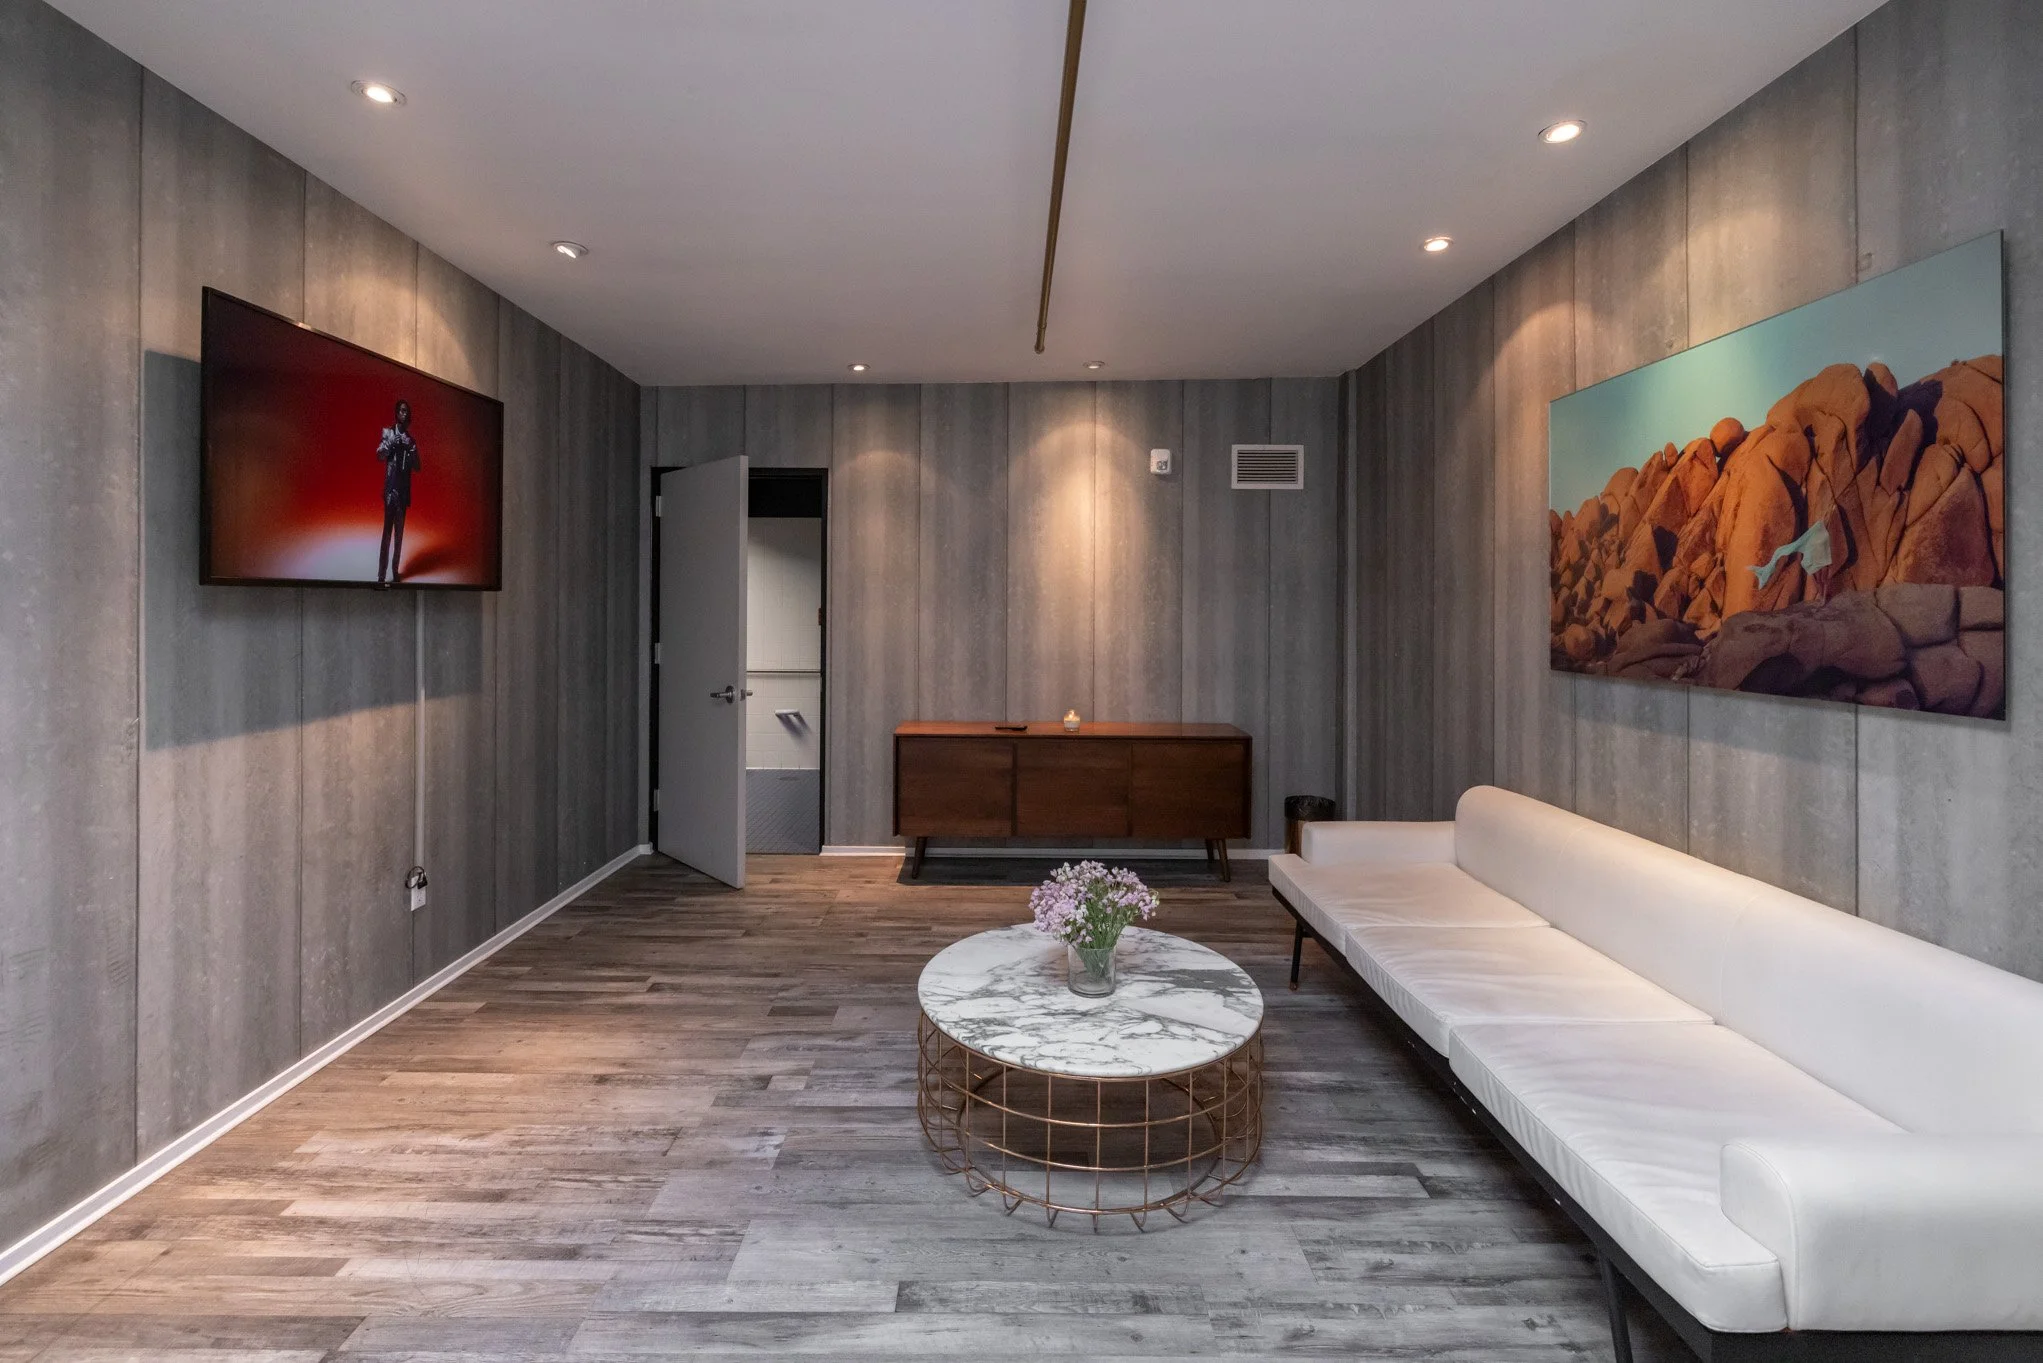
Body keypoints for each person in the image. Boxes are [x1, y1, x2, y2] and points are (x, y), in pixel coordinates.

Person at [375, 399, 420, 585]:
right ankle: (381, 575)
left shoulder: (411, 439)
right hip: (391, 491)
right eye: (401, 411)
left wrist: (409, 446)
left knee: (399, 536)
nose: (404, 414)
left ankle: (395, 571)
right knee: (386, 535)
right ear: (396, 413)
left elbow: (418, 466)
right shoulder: (388, 432)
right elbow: (379, 455)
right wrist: (392, 442)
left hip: (403, 493)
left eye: (406, 411)